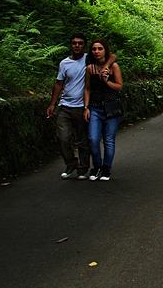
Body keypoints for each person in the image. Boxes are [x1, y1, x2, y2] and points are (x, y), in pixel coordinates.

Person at [46, 34, 115, 180]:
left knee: (83, 140)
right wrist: (52, 103)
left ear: (84, 45)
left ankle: (83, 168)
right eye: (74, 43)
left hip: (82, 106)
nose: (77, 45)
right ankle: (71, 163)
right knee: (62, 137)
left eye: (80, 43)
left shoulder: (89, 59)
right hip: (65, 104)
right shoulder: (64, 63)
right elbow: (59, 83)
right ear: (70, 45)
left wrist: (107, 66)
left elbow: (112, 56)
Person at [84, 38, 123, 181]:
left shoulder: (114, 67)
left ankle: (106, 168)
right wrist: (86, 107)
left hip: (111, 107)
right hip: (95, 107)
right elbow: (87, 88)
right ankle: (97, 166)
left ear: (105, 50)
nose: (97, 52)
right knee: (93, 139)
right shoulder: (90, 69)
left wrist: (107, 81)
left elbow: (119, 86)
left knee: (108, 140)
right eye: (94, 49)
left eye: (100, 49)